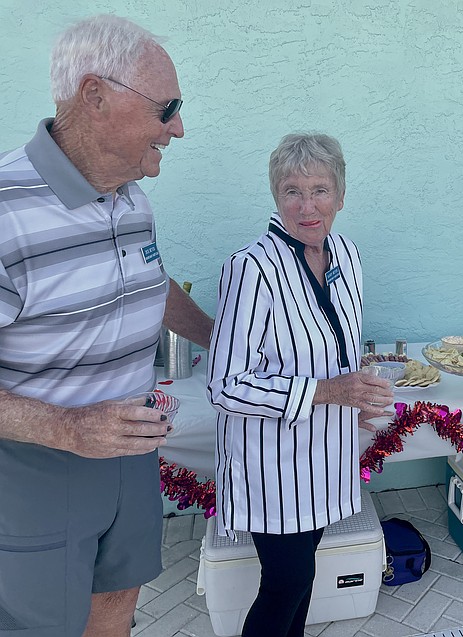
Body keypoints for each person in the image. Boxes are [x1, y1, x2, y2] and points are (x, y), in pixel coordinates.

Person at [0, 14, 213, 637]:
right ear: (94, 96)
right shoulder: (7, 211)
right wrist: (69, 427)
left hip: (130, 454)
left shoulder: (130, 194)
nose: (178, 127)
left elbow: (151, 280)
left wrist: (221, 336)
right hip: (35, 462)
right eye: (166, 108)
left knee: (118, 602)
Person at [207, 133, 393, 637]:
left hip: (325, 454)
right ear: (276, 196)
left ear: (341, 195)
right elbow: (225, 384)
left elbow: (340, 347)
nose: (307, 206)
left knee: (301, 576)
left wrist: (356, 402)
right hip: (274, 465)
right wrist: (330, 391)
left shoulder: (348, 256)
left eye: (320, 189)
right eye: (293, 190)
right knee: (287, 580)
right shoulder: (251, 268)